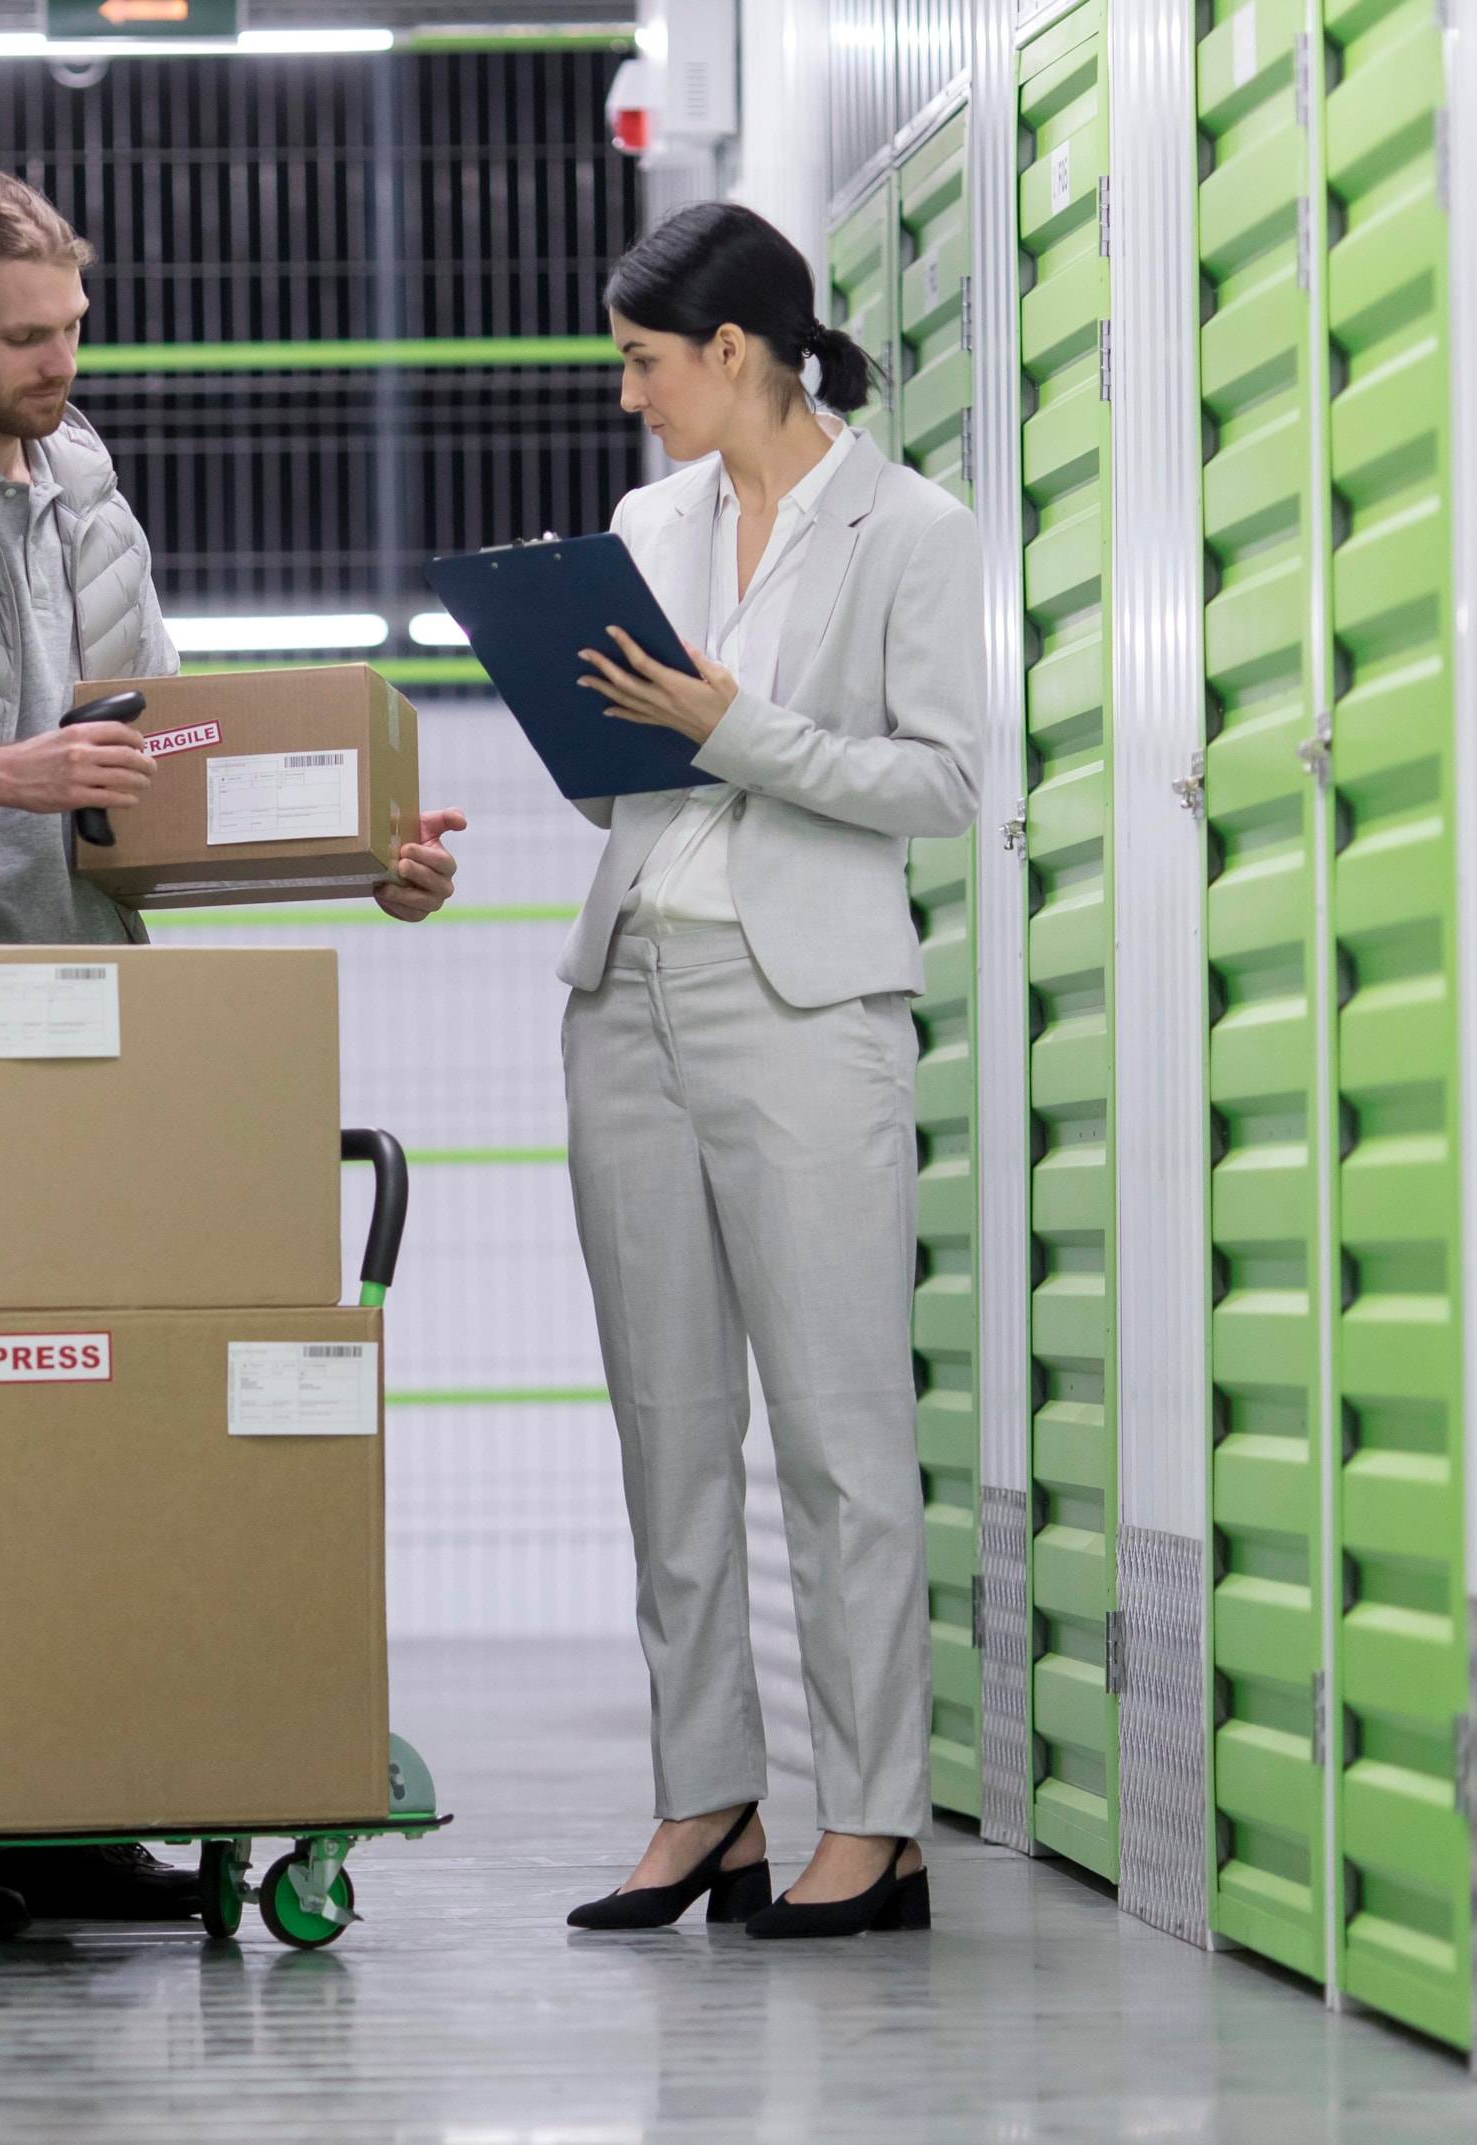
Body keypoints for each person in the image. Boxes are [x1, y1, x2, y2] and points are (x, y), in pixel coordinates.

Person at [0, 169, 466, 1938]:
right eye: (27, 334)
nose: (65, 362)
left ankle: (60, 1800)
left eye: (76, 327)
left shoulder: (91, 499)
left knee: (78, 1407)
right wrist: (2, 770)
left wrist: (366, 859)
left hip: (75, 1014)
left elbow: (164, 787)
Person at [547, 200, 980, 1940]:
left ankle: (873, 1821)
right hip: (629, 982)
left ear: (735, 353)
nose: (632, 393)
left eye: (646, 361)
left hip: (804, 1004)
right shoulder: (651, 518)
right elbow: (619, 786)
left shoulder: (910, 528)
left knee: (838, 1426)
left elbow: (944, 782)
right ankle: (705, 1798)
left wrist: (728, 721)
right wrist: (607, 726)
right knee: (669, 1423)